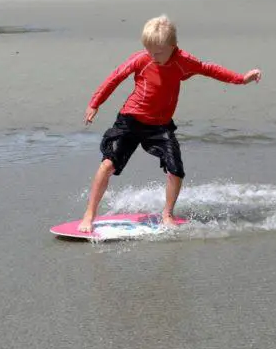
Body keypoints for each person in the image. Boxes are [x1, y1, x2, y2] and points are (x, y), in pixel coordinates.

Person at [77, 14, 262, 232]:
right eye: (148, 50)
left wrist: (241, 79)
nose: (152, 56)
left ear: (173, 46)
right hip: (131, 120)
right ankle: (89, 214)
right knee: (108, 164)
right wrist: (95, 103)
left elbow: (209, 69)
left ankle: (167, 213)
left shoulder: (183, 62)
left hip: (160, 126)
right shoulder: (141, 59)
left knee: (176, 170)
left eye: (158, 52)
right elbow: (115, 77)